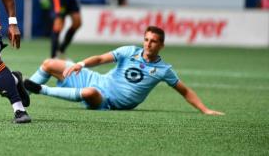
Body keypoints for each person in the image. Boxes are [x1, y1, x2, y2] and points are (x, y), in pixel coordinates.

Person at [24, 26, 225, 115]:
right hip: (95, 78)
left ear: (161, 45)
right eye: (146, 39)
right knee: (50, 63)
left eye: (154, 41)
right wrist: (81, 64)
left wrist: (205, 110)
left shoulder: (163, 70)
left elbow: (185, 91)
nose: (148, 44)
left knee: (90, 93)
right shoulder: (129, 51)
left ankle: (42, 90)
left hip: (107, 100)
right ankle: (24, 94)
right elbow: (101, 58)